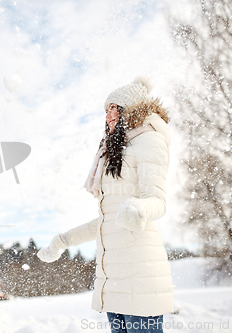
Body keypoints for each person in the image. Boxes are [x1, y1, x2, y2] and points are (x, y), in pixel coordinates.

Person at [37, 77, 173, 333]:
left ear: (131, 110)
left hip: (140, 272)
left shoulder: (148, 140)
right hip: (112, 277)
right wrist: (62, 241)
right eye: (106, 110)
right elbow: (107, 221)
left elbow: (158, 200)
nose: (109, 115)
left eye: (116, 108)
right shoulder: (114, 152)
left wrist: (139, 209)